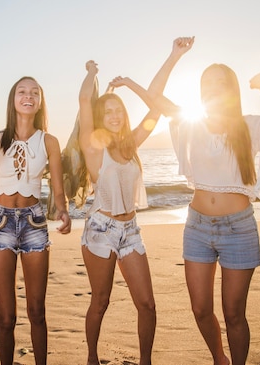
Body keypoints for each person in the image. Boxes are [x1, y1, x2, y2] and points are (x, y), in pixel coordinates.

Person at [149, 62, 260, 365]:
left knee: (233, 313)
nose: (214, 87)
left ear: (232, 89)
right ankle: (220, 358)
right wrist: (175, 56)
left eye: (221, 82)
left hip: (238, 230)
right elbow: (154, 96)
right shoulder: (190, 122)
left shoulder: (248, 125)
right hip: (197, 228)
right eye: (208, 82)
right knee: (200, 309)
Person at [78, 37, 195, 365]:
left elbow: (156, 107)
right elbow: (85, 100)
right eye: (108, 111)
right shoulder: (93, 147)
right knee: (100, 301)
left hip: (130, 230)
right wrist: (91, 71)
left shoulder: (130, 145)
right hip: (100, 230)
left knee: (147, 304)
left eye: (118, 110)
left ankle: (145, 361)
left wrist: (135, 80)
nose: (114, 115)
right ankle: (91, 358)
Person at [0, 76, 72, 365]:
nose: (28, 96)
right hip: (0, 227)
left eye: (34, 92)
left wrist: (64, 212)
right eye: (22, 91)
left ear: (40, 101)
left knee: (37, 312)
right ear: (13, 99)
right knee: (6, 317)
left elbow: (58, 191)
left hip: (34, 226)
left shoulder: (50, 142)